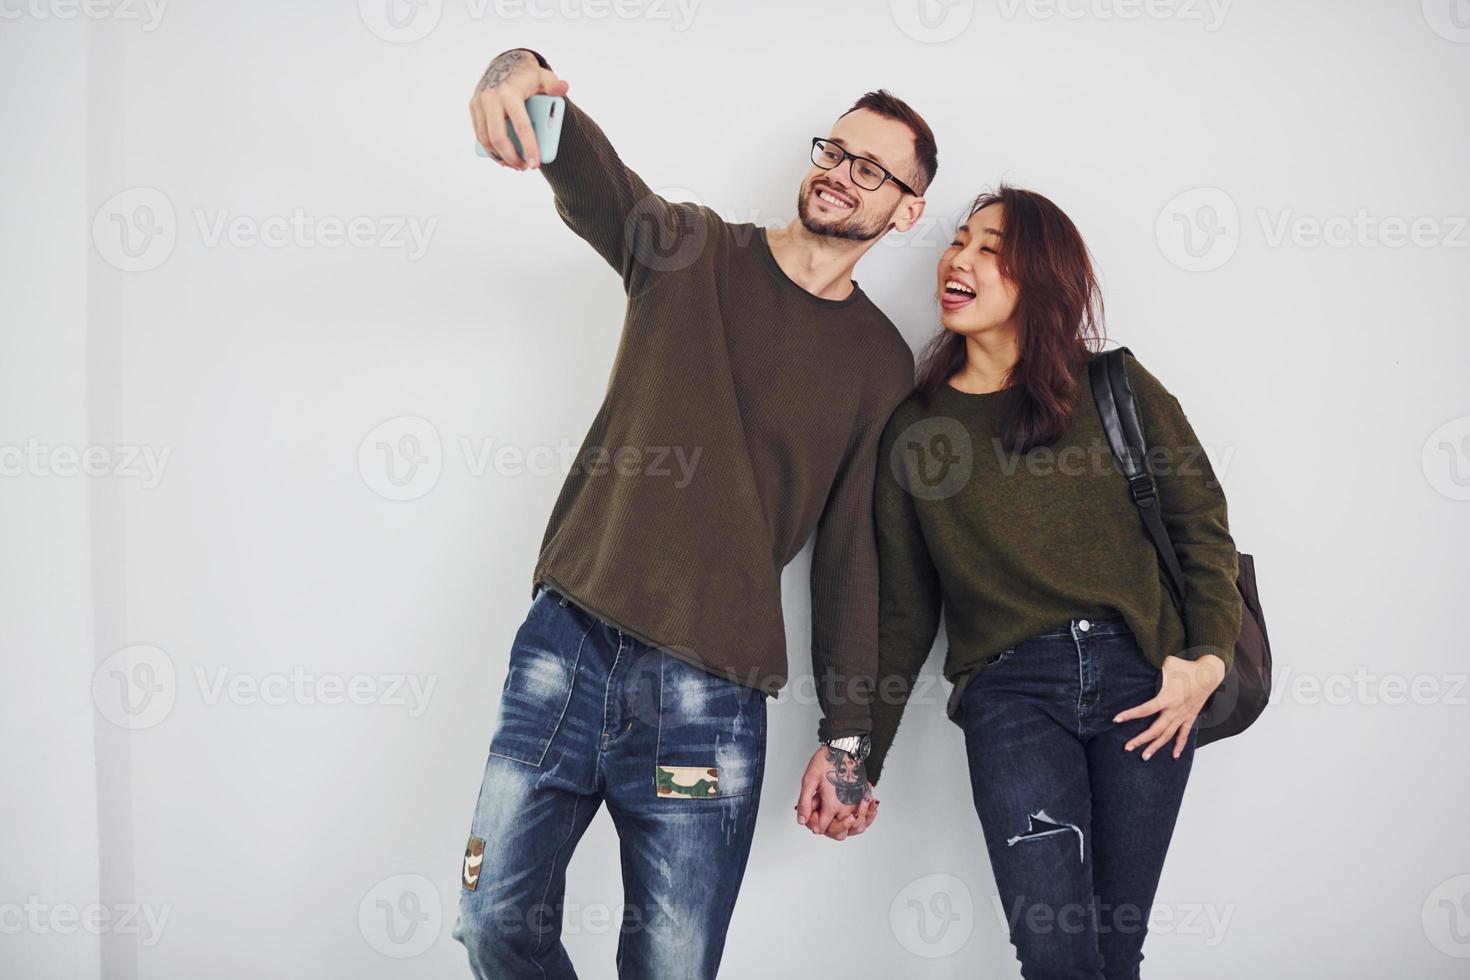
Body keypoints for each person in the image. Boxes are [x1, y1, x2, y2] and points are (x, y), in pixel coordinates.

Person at [454, 47, 937, 978]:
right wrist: (521, 79)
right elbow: (595, 180)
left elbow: (850, 561)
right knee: (491, 923)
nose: (841, 174)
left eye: (871, 169)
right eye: (834, 151)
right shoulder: (692, 250)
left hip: (709, 698)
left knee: (674, 968)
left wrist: (850, 739)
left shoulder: (880, 363)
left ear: (906, 209)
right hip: (570, 646)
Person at [867, 185, 1241, 978]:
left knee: (1115, 950)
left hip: (1146, 684)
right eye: (959, 241)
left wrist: (1205, 660)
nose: (959, 260)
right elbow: (904, 613)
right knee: (1053, 951)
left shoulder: (1116, 388)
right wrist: (858, 755)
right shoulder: (919, 428)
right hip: (1013, 695)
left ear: (1042, 279)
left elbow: (1202, 526)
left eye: (990, 249)